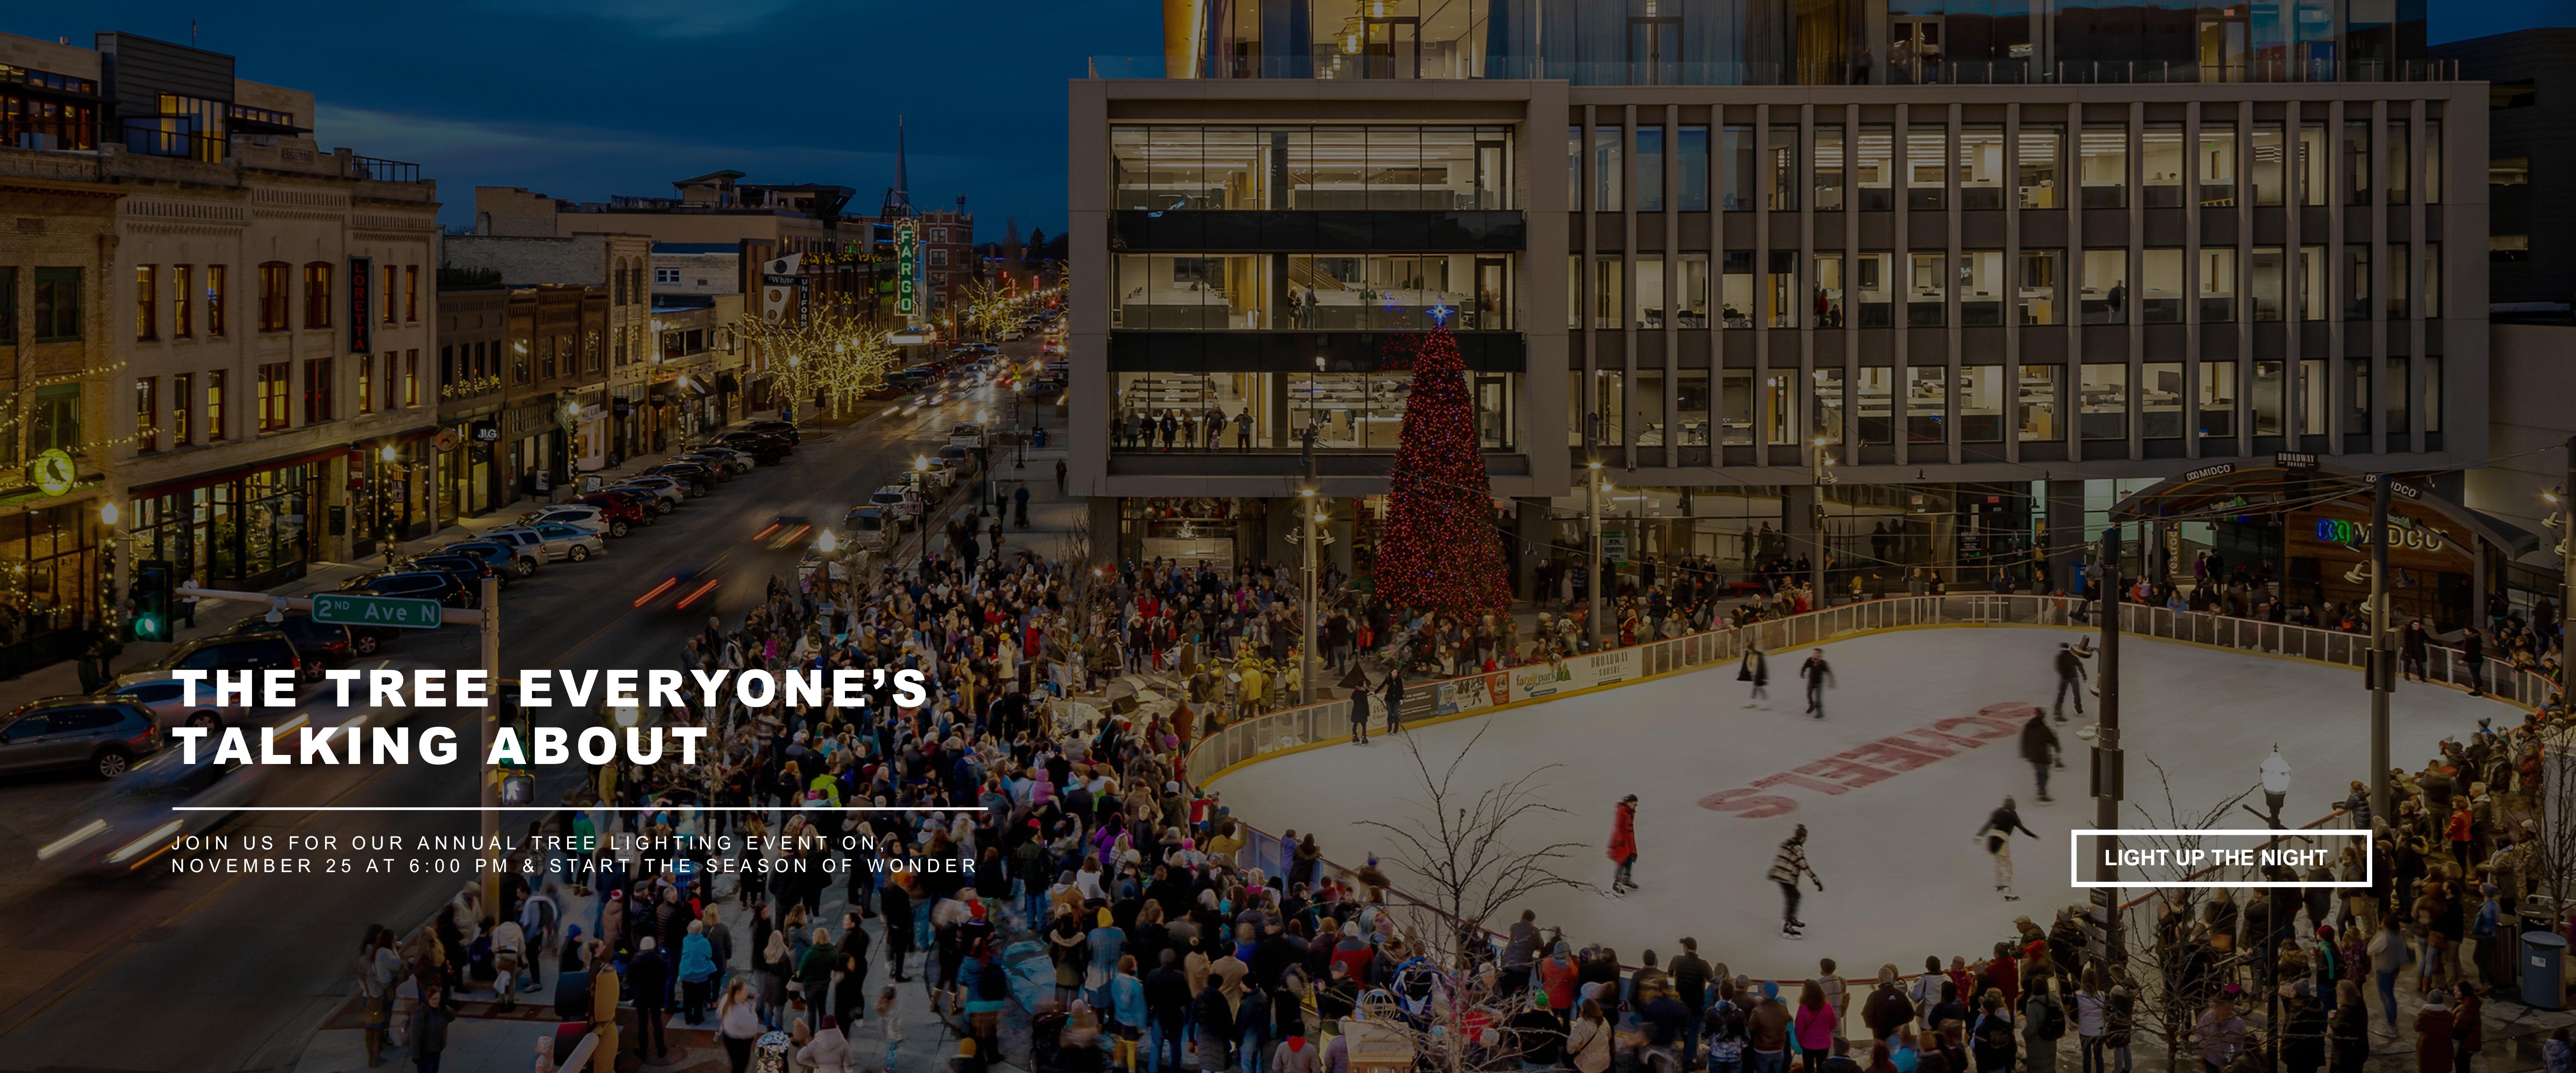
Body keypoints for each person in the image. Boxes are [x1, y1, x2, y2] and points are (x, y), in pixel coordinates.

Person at [1976, 797, 2041, 901]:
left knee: (1999, 862)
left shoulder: (1998, 812)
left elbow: (1988, 824)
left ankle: (2000, 884)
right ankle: (2007, 891)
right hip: (2002, 839)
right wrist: (2034, 836)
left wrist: (1979, 836)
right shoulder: (2012, 815)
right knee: (2006, 865)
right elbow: (2023, 829)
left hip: (1992, 838)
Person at [1771, 825, 1824, 939]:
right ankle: (1788, 926)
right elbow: (1803, 865)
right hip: (1786, 878)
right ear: (1802, 837)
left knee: (1796, 897)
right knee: (1792, 900)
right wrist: (1816, 880)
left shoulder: (1788, 843)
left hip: (1781, 876)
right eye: (1805, 837)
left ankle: (1792, 919)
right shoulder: (1797, 848)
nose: (1806, 840)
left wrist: (1776, 871)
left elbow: (1781, 858)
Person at [631, 936, 672, 1061]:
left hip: (641, 996)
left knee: (642, 1023)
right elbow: (666, 974)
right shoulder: (659, 960)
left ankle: (643, 1051)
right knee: (657, 1022)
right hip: (656, 995)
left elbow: (632, 980)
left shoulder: (635, 961)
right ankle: (660, 1049)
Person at [718, 977, 764, 1073]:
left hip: (729, 1037)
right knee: (741, 1065)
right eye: (746, 990)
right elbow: (752, 1022)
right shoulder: (739, 1012)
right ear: (738, 992)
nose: (747, 992)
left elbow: (719, 1015)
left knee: (736, 1063)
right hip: (741, 1043)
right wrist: (753, 1010)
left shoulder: (727, 999)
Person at [409, 985, 455, 1073]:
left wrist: (445, 1007)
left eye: (438, 999)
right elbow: (415, 1036)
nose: (435, 1002)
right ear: (428, 999)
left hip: (437, 1050)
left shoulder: (440, 1010)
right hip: (425, 1052)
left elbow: (452, 1017)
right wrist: (416, 1056)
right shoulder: (420, 1013)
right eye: (433, 999)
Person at [2021, 710, 2062, 804]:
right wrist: (2057, 748)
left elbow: (2024, 739)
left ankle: (2040, 789)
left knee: (2039, 773)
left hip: (2033, 756)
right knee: (2045, 775)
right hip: (2042, 756)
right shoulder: (2043, 728)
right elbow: (2052, 738)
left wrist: (2025, 752)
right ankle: (2042, 792)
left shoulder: (2029, 726)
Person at [1608, 794, 1641, 895]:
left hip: (1628, 840)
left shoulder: (1629, 811)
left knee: (1630, 859)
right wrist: (1620, 839)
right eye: (1634, 804)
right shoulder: (1622, 811)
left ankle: (1626, 879)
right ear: (1629, 803)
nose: (1635, 806)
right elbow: (1619, 826)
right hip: (1622, 842)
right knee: (1622, 861)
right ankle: (1617, 883)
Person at [2053, 643, 2089, 721]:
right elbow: (2080, 665)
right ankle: (2079, 710)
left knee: (2061, 695)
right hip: (2074, 678)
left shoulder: (2060, 657)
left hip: (2065, 678)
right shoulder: (2072, 656)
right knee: (2076, 695)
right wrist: (2084, 675)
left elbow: (2058, 668)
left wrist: (2063, 675)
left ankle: (2057, 710)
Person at [1801, 649, 1834, 718]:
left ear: (1820, 655)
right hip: (1811, 681)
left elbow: (1829, 673)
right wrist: (1802, 672)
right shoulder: (1810, 660)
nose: (1815, 655)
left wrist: (1831, 681)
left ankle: (1820, 713)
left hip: (1819, 683)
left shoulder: (1822, 663)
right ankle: (1812, 706)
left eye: (1817, 653)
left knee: (1818, 698)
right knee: (1809, 694)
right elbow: (1805, 666)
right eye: (1814, 653)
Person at [1742, 644, 1771, 709]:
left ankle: (1766, 701)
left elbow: (1763, 668)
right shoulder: (1751, 656)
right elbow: (1749, 665)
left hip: (1759, 676)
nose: (1748, 652)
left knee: (1759, 688)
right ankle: (1753, 702)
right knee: (1756, 688)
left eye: (1749, 650)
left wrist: (1764, 678)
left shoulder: (1759, 657)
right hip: (1755, 675)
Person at [1348, 676, 1372, 745]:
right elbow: (1365, 704)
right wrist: (1367, 712)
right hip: (1362, 711)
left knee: (1355, 724)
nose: (1365, 685)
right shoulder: (1363, 693)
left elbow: (1352, 697)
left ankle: (1354, 736)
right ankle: (1364, 737)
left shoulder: (1356, 692)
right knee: (1364, 724)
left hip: (1356, 710)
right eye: (1364, 684)